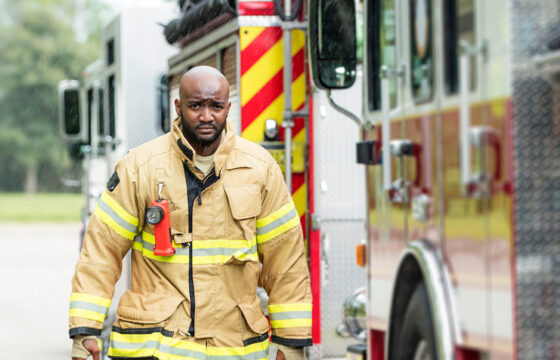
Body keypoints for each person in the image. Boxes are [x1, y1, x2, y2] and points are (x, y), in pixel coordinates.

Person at [69, 66, 312, 360]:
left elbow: (286, 261)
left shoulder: (260, 169)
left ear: (228, 107)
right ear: (178, 106)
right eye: (196, 105)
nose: (206, 116)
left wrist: (291, 341)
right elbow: (100, 252)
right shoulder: (139, 167)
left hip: (233, 348)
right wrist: (85, 330)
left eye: (215, 106)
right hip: (157, 349)